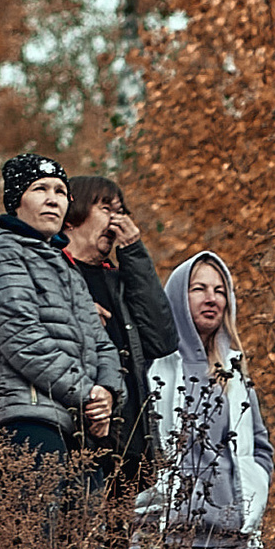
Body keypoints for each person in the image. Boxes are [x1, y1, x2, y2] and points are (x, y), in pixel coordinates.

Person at [0, 153, 114, 526]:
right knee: (36, 545)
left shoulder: (63, 264)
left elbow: (101, 341)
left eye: (61, 191)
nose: (53, 198)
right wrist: (87, 392)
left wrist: (108, 393)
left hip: (75, 421)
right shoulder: (3, 252)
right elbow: (21, 336)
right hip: (27, 415)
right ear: (17, 201)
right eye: (40, 189)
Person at [137, 249, 272, 549]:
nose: (211, 298)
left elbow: (260, 444)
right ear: (178, 297)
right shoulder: (152, 366)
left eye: (219, 290)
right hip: (166, 534)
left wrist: (256, 487)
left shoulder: (234, 370)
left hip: (232, 536)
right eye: (198, 288)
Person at [62, 175, 179, 496]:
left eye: (122, 211)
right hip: (74, 440)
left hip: (128, 449)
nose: (119, 221)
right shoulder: (51, 273)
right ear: (72, 217)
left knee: (113, 546)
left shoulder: (121, 279)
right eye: (106, 209)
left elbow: (162, 340)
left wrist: (134, 252)